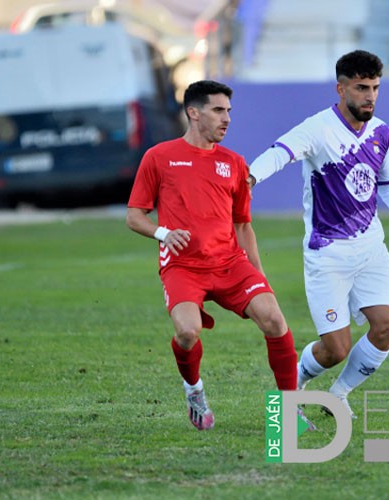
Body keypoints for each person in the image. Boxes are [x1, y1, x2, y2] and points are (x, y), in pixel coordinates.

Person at [248, 50, 389, 418]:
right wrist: (249, 178)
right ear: (341, 88)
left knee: (387, 326)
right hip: (327, 254)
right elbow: (279, 152)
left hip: (370, 248)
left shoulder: (382, 133)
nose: (370, 96)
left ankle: (338, 395)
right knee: (336, 348)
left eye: (375, 87)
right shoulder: (317, 129)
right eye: (361, 88)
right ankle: (292, 381)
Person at [126, 80, 311, 431]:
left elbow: (243, 226)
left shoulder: (234, 164)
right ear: (193, 113)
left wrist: (259, 276)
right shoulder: (159, 157)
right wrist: (164, 234)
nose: (226, 119)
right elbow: (134, 216)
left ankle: (289, 412)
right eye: (218, 110)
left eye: (228, 111)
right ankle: (194, 390)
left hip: (229, 264)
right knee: (187, 332)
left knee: (274, 320)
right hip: (182, 266)